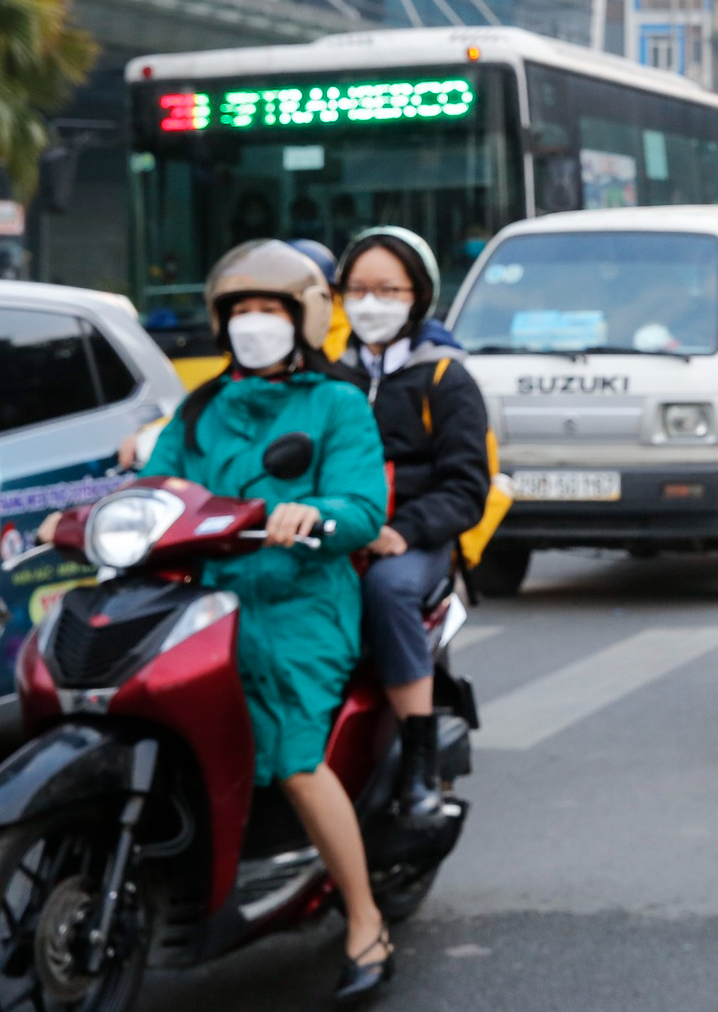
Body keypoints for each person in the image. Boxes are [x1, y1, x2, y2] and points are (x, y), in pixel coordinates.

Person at [142, 240, 397, 996]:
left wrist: (308, 512)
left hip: (299, 599)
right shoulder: (200, 408)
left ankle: (364, 921)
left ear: (304, 319)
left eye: (269, 311)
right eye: (241, 312)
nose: (254, 324)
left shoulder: (336, 404)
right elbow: (158, 480)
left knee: (292, 758)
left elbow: (361, 507)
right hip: (207, 597)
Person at [330, 227, 491, 823]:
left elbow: (467, 486)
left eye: (387, 289)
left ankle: (420, 760)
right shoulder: (326, 374)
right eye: (359, 288)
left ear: (417, 296)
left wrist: (404, 531)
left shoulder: (445, 377)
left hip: (412, 538)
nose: (371, 302)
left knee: (387, 587)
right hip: (335, 528)